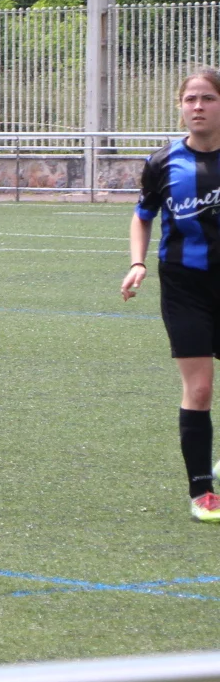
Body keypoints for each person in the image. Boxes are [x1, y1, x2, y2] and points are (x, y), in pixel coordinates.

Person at [123, 66, 220, 522]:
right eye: (190, 99)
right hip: (185, 287)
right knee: (199, 388)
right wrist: (137, 263)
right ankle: (202, 491)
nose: (198, 107)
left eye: (208, 98)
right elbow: (143, 215)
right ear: (180, 106)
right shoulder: (163, 162)